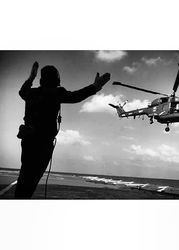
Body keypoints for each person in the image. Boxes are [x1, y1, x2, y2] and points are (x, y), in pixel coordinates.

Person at [15, 61, 111, 198]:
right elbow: (76, 96)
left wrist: (31, 77)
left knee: (25, 176)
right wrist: (95, 86)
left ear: (41, 79)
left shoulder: (31, 93)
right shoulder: (57, 93)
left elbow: (22, 92)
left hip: (28, 141)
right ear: (56, 79)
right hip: (43, 144)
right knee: (31, 180)